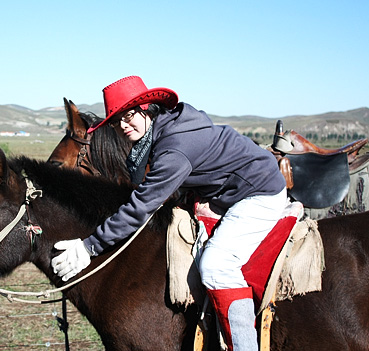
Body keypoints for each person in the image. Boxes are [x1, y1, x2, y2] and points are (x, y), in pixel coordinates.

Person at [51, 75, 287, 351]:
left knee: (216, 265)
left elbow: (142, 205)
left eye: (128, 117)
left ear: (147, 108)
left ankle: (245, 346)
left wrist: (89, 247)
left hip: (259, 191)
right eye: (117, 122)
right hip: (229, 188)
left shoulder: (174, 148)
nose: (124, 126)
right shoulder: (160, 132)